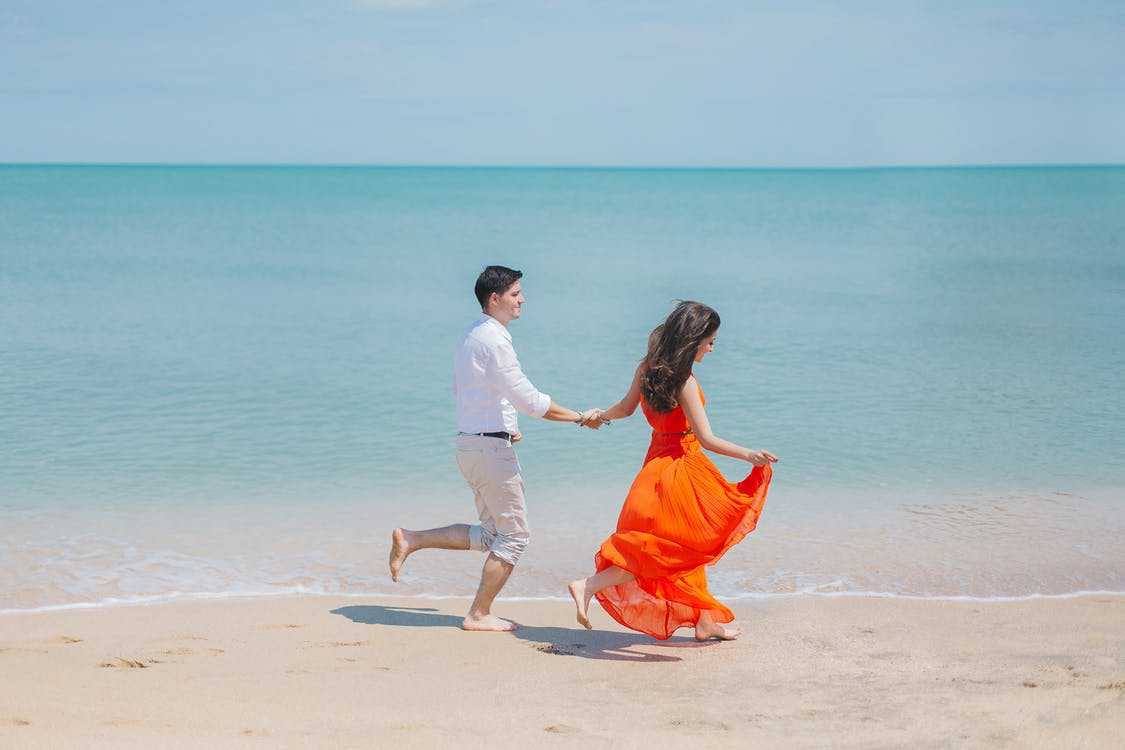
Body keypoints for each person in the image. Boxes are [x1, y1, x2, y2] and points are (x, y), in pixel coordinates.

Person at [389, 265, 602, 632]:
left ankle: (412, 539)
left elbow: (471, 391)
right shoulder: (496, 340)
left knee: (492, 535)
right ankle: (478, 614)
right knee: (515, 536)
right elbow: (529, 399)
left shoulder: (471, 335)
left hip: (471, 444)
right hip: (489, 450)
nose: (522, 299)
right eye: (516, 293)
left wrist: (508, 427)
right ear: (495, 298)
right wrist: (580, 417)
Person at [567, 300, 777, 641]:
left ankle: (705, 623)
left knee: (685, 547)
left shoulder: (647, 368)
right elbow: (706, 438)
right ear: (693, 341)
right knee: (672, 550)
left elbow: (624, 408)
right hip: (682, 467)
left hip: (654, 466)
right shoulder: (685, 382)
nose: (711, 349)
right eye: (710, 342)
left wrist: (598, 417)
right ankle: (587, 585)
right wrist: (749, 454)